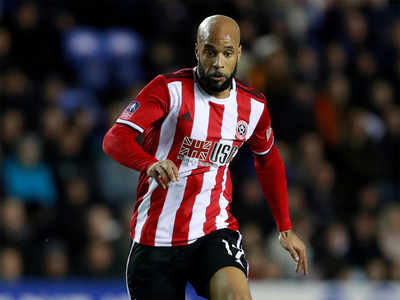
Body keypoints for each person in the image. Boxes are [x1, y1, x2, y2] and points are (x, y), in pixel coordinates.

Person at [103, 15, 307, 300]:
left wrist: (285, 228)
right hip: (156, 239)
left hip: (212, 232)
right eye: (210, 52)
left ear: (239, 53)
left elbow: (269, 160)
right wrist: (150, 164)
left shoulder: (253, 106)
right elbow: (114, 138)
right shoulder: (168, 89)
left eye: (227, 53)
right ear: (197, 50)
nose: (218, 63)